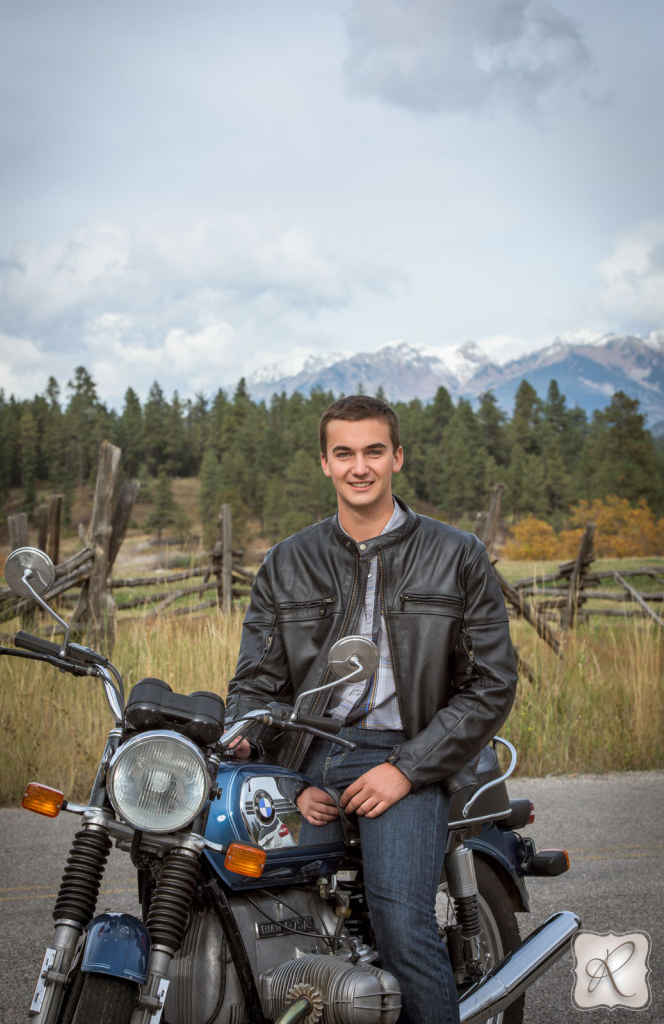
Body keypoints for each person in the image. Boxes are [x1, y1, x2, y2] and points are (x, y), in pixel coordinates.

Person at [225, 395, 517, 1024]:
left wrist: (407, 769)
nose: (360, 466)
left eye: (374, 451)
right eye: (345, 453)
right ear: (324, 464)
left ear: (397, 459)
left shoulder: (456, 553)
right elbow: (256, 684)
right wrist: (268, 766)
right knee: (227, 882)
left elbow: (492, 683)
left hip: (408, 752)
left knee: (401, 923)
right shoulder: (287, 560)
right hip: (310, 752)